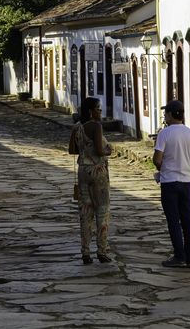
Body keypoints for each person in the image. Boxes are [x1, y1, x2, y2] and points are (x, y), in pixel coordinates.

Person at [153, 99, 190, 268]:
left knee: (173, 219)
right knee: (187, 219)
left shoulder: (164, 134)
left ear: (171, 115)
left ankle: (179, 255)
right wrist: (184, 165)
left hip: (169, 182)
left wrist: (165, 167)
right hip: (186, 181)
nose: (165, 116)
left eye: (166, 113)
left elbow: (157, 159)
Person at [68, 97, 112, 264]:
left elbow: (72, 150)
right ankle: (102, 250)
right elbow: (101, 151)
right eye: (98, 108)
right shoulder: (96, 126)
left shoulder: (77, 128)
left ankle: (85, 252)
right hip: (98, 172)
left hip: (82, 172)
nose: (100, 111)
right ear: (90, 111)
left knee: (85, 212)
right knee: (102, 210)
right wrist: (108, 151)